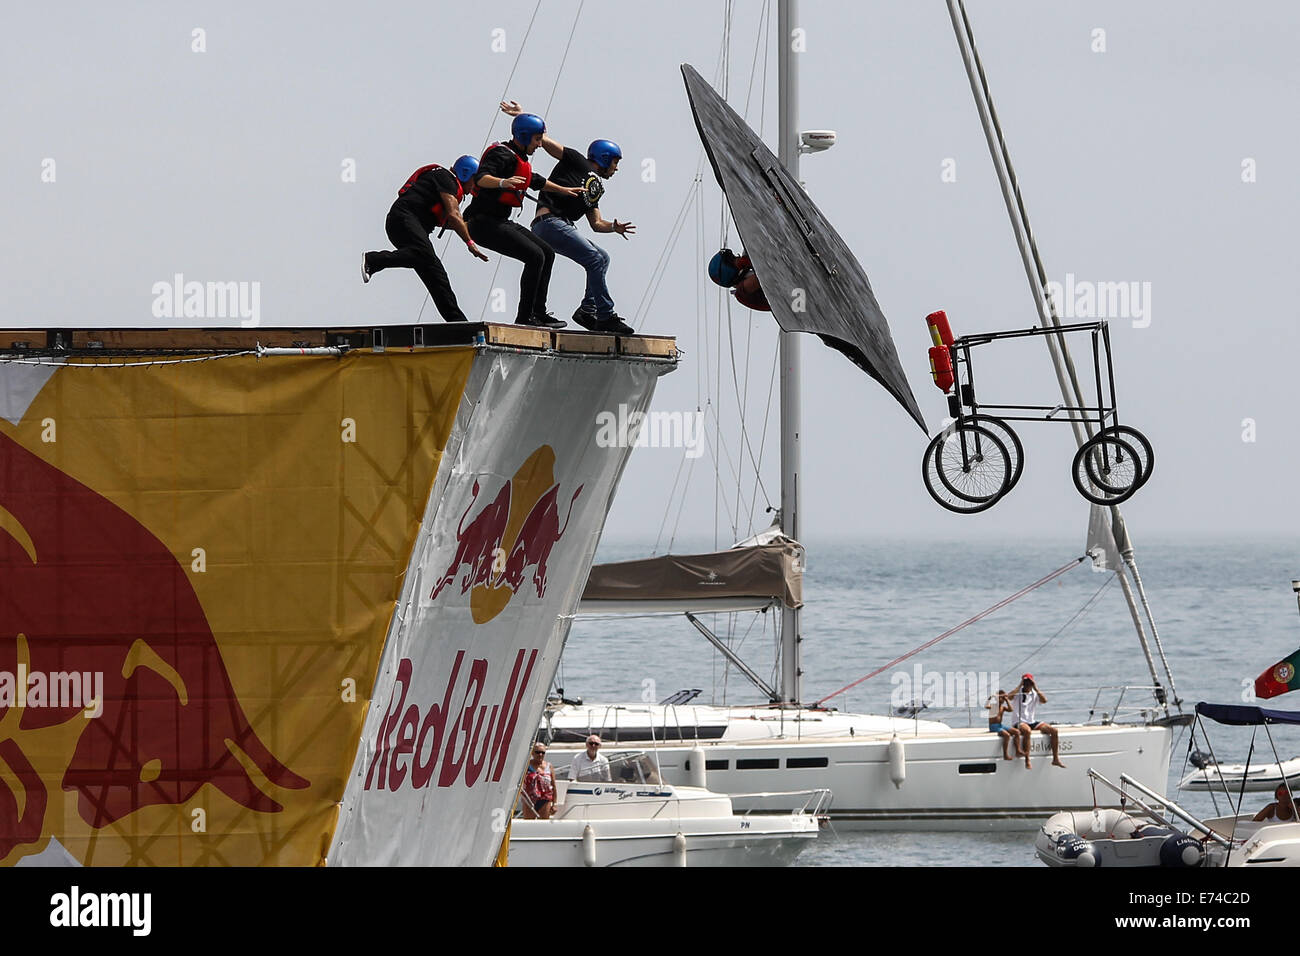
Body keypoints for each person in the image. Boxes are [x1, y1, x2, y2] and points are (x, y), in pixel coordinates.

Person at [499, 101, 635, 334]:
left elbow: (596, 224)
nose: (616, 168)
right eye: (615, 162)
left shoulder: (596, 188)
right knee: (594, 258)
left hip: (561, 226)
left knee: (603, 257)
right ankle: (605, 315)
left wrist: (614, 227)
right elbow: (547, 144)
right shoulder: (576, 160)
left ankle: (588, 309)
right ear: (604, 157)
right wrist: (523, 116)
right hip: (550, 223)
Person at [464, 112, 584, 329]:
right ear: (524, 136)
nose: (539, 144)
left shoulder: (519, 159)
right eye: (537, 139)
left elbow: (535, 181)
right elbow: (481, 178)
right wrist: (502, 182)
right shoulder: (501, 154)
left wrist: (564, 190)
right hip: (482, 223)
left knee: (547, 253)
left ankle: (539, 313)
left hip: (500, 221)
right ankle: (524, 318)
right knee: (535, 256)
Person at [361, 155, 489, 321]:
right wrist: (469, 243)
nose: (474, 188)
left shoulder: (449, 186)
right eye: (474, 181)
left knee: (437, 275)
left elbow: (452, 221)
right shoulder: (446, 178)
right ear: (465, 173)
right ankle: (373, 259)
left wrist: (473, 224)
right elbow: (453, 215)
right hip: (402, 219)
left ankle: (458, 323)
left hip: (413, 228)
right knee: (424, 255)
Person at [1010, 673, 1065, 769]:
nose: (1027, 685)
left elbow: (1044, 700)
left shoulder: (1034, 693)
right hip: (1019, 721)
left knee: (1054, 731)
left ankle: (1055, 759)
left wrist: (1035, 688)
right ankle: (1027, 759)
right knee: (1027, 731)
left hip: (1031, 721)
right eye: (1026, 682)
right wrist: (1020, 685)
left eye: (1029, 682)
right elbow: (1009, 697)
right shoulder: (1018, 693)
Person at [521, 742, 558, 819]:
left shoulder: (549, 766)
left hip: (545, 799)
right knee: (528, 824)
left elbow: (553, 786)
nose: (540, 754)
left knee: (544, 823)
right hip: (529, 799)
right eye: (537, 752)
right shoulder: (526, 765)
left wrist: (554, 804)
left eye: (543, 752)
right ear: (532, 753)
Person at [986, 690, 1021, 761]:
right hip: (994, 726)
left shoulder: (1003, 707)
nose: (1002, 699)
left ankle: (1017, 750)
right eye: (1001, 698)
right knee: (1007, 735)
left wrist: (1007, 700)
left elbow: (1011, 709)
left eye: (1003, 698)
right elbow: (986, 706)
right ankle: (1005, 754)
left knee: (1017, 732)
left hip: (1000, 725)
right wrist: (991, 697)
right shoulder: (993, 706)